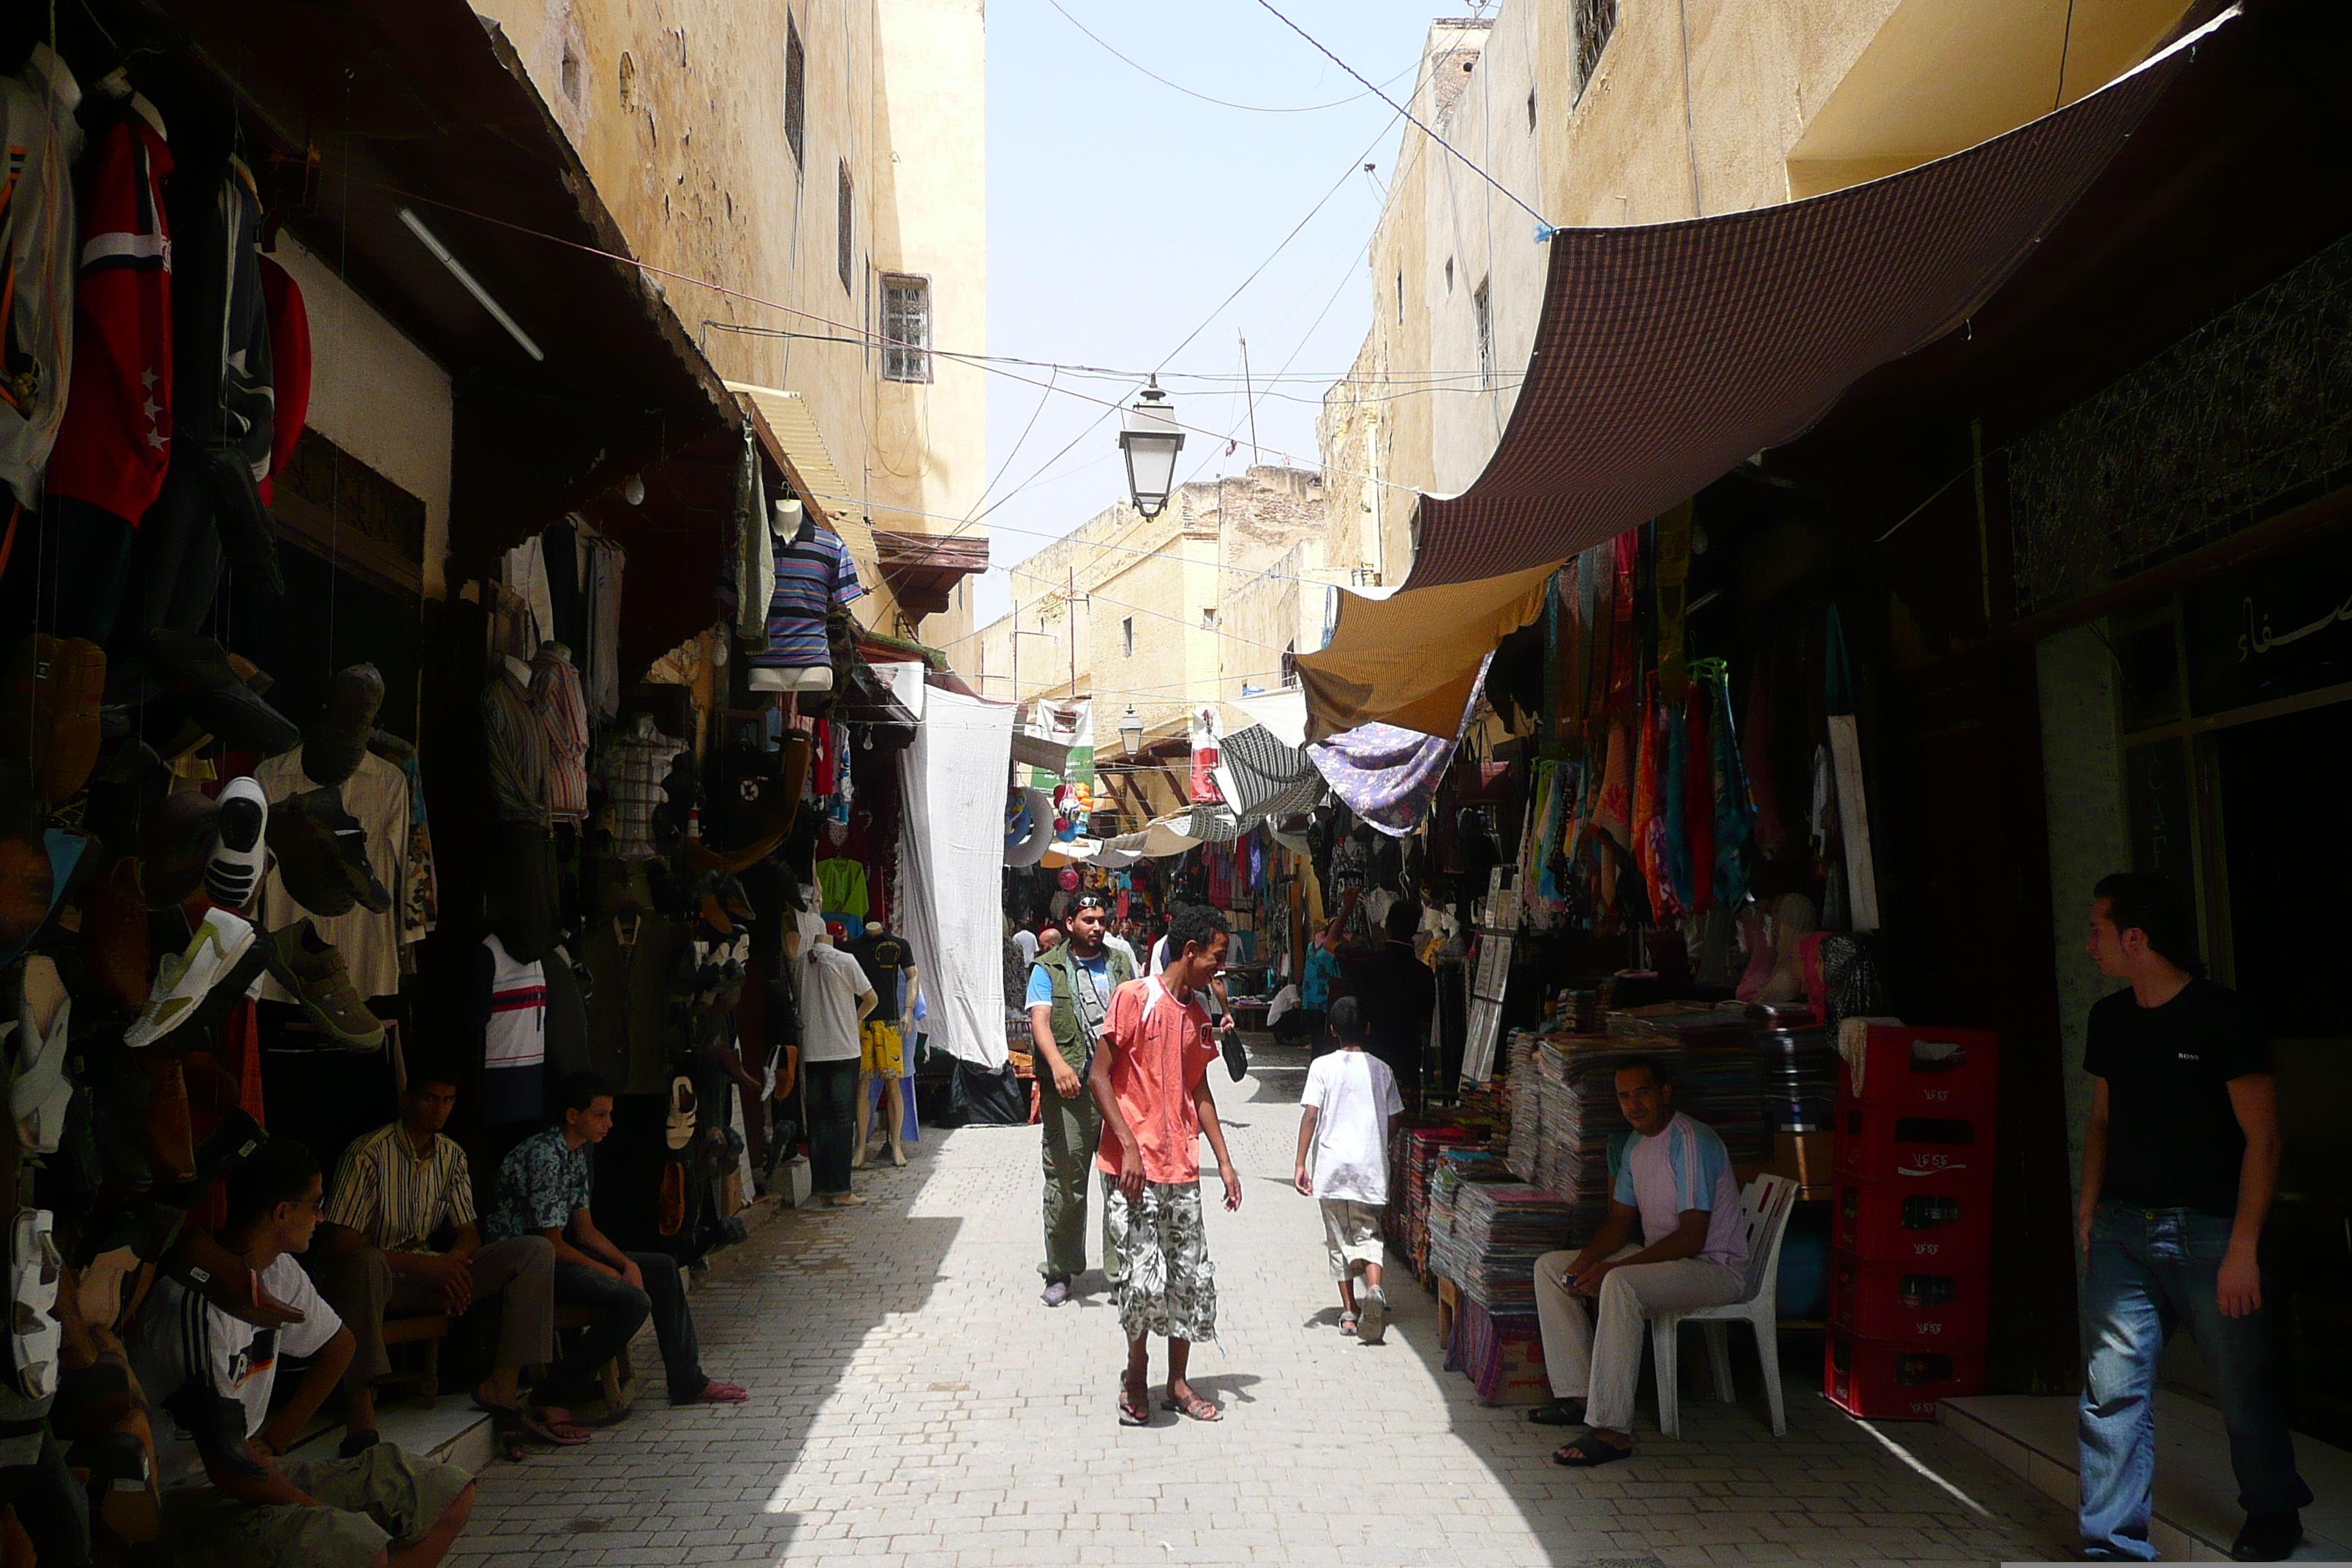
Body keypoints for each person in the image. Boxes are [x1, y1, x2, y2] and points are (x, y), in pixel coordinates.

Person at [2076, 873, 2306, 1562]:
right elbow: (2101, 1122)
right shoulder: (2109, 1019)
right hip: (2122, 1230)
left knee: (2240, 1389)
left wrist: (2243, 1248)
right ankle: (2112, 1545)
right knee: (2110, 1393)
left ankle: (2273, 1511)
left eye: (2098, 929)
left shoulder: (2223, 1017)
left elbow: (2263, 1140)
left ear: (2135, 938)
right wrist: (2088, 1210)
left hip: (2211, 1233)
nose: (2089, 943)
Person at [132, 1137, 478, 1568]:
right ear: (281, 1213)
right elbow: (226, 1469)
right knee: (353, 1544)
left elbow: (340, 1345)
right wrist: (316, 1510)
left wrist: (277, 1440)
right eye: (315, 1205)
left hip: (250, 1473)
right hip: (185, 1494)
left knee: (445, 1493)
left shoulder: (279, 1272)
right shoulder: (194, 1305)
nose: (322, 1217)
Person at [310, 1070, 573, 1463]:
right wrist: (425, 1266)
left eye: (448, 1100)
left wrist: (453, 1262)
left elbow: (468, 1231)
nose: (440, 1110)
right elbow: (342, 1245)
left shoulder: (451, 1154)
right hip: (376, 1278)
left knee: (535, 1251)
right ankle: (360, 1410)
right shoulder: (368, 1152)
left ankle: (503, 1385)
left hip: (428, 1272)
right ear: (408, 1099)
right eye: (431, 1099)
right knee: (366, 1262)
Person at [1529, 1055, 1749, 1466]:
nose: (1633, 1104)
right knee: (1551, 1269)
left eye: (1642, 1093)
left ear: (1665, 1093)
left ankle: (1612, 1431)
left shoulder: (1690, 1140)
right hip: (1668, 1260)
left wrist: (1615, 1269)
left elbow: (1692, 1236)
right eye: (1624, 1096)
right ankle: (1582, 1397)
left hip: (1713, 1267)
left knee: (1620, 1284)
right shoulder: (1634, 1144)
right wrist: (1585, 1261)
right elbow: (1618, 1222)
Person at [485, 1072, 749, 1411]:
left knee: (663, 1268)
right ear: (572, 1116)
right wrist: (607, 1273)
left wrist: (627, 1264)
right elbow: (549, 1244)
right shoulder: (545, 1155)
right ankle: (553, 1395)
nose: (609, 1124)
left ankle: (687, 1380)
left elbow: (585, 1231)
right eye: (599, 1115)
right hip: (527, 1269)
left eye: (610, 1115)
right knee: (633, 1301)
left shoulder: (575, 1152)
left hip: (558, 1254)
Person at [1092, 902, 1241, 1426]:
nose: (1219, 970)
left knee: (1189, 1279)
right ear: (1191, 951)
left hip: (1182, 1170)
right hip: (1134, 1172)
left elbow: (1199, 1089)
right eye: (1216, 959)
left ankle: (1178, 1382)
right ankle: (1136, 1377)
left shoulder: (1198, 1018)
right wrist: (1128, 1145)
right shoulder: (1133, 998)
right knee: (1140, 1282)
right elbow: (1098, 1076)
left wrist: (1224, 1162)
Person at [1028, 890, 1134, 1306]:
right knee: (1066, 1184)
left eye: (1101, 920)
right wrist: (1057, 1065)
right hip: (1069, 1094)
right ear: (1070, 923)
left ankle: (1122, 1271)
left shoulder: (1121, 964)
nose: (1097, 927)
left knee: (1122, 1183)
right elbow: (1040, 1020)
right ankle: (1061, 1270)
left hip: (1117, 1091)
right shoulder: (1047, 968)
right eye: (1088, 920)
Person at [1293, 996, 1403, 1343]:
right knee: (1369, 1235)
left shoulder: (1322, 1067)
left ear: (1332, 1029)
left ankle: (1350, 1312)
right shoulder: (1383, 1070)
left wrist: (1299, 1162)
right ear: (1367, 1029)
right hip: (1370, 1167)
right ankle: (1374, 1290)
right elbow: (1395, 1118)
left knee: (1339, 1240)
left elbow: (1311, 1114)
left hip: (1332, 1167)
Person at [799, 919, 877, 1205]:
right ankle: (842, 1189)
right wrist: (854, 1019)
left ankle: (822, 1188)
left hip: (812, 1050)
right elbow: (872, 998)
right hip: (843, 1049)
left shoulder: (800, 964)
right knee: (842, 1120)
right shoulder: (845, 961)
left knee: (818, 1121)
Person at [1298, 926, 1343, 1056]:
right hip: (1325, 997)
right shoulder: (1332, 949)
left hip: (1310, 997)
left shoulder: (1312, 946)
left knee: (1317, 1039)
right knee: (1326, 1039)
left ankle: (1316, 1066)